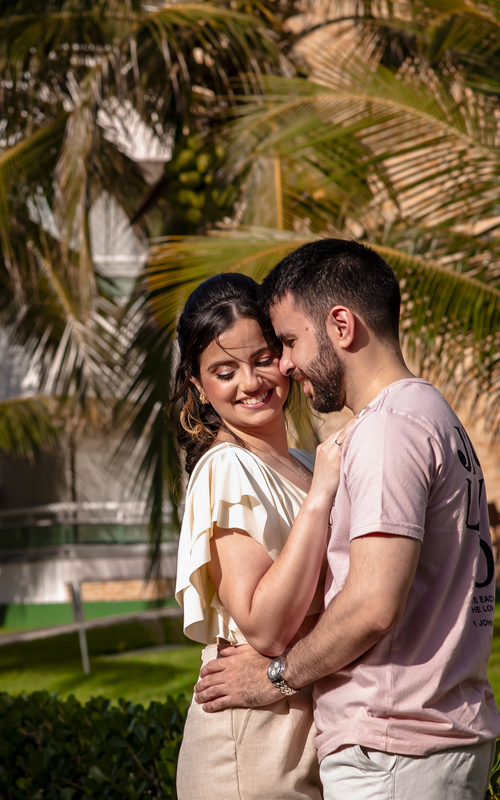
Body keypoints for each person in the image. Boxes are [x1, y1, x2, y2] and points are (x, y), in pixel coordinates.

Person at [192, 239, 500, 799]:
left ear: (340, 325)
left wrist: (273, 676)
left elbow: (370, 606)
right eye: (224, 369)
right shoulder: (430, 414)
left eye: (282, 345)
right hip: (406, 737)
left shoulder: (383, 433)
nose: (282, 366)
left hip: (396, 744)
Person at [171, 272, 348, 799]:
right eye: (224, 371)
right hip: (251, 742)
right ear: (198, 385)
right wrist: (322, 496)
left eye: (263, 358)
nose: (250, 382)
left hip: (300, 721)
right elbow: (265, 628)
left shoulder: (299, 462)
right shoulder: (224, 469)